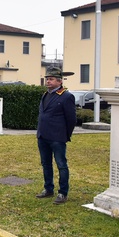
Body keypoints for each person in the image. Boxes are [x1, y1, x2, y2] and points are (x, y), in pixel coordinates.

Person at [34, 66, 78, 205]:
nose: (48, 81)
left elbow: (71, 119)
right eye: (47, 79)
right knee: (46, 164)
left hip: (57, 137)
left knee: (61, 165)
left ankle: (63, 192)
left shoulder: (66, 96)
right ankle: (48, 189)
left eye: (51, 79)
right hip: (43, 136)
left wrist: (65, 135)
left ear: (59, 81)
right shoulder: (46, 95)